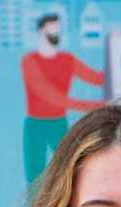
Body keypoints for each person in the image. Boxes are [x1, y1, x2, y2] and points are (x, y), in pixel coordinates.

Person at [21, 13, 104, 185]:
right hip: (35, 125)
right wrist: (97, 105)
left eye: (58, 29)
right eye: (53, 28)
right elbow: (52, 97)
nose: (57, 32)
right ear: (42, 30)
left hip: (58, 123)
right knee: (34, 178)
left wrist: (116, 50)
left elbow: (96, 78)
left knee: (67, 173)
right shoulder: (29, 61)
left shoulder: (67, 59)